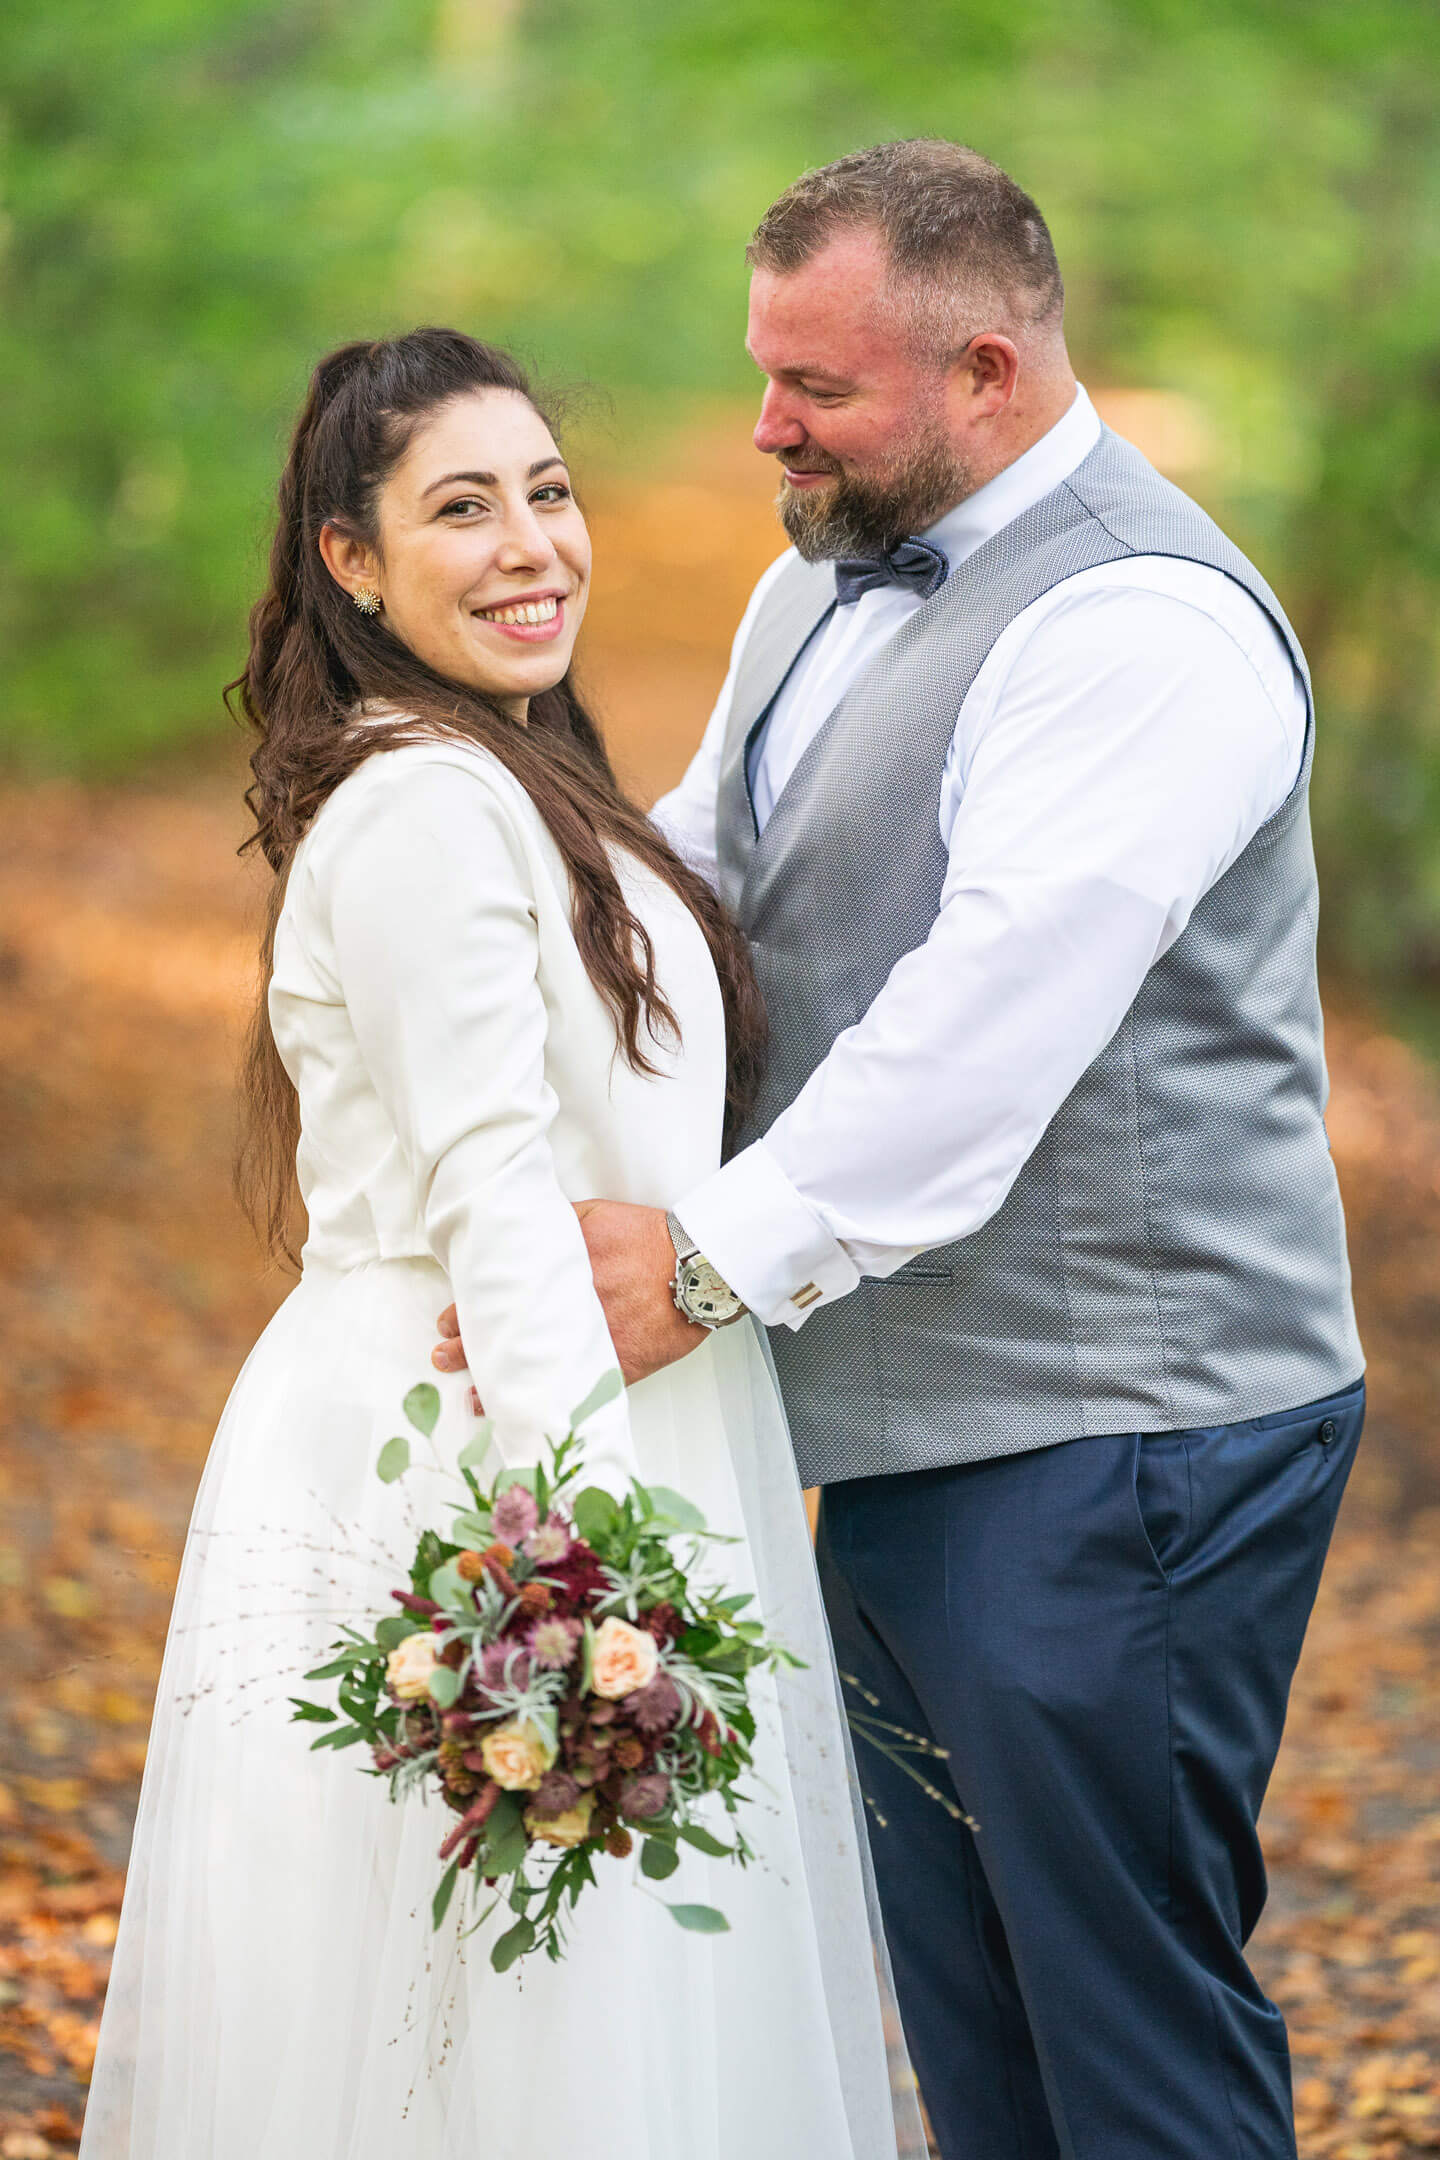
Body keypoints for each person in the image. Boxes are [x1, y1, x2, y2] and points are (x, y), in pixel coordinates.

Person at [437, 141, 1366, 2158]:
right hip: (914, 1421)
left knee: (1124, 2025)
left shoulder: (1143, 624)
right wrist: (454, 885)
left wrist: (691, 1263)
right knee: (977, 2013)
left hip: (1126, 1424)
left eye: (817, 390)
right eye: (766, 373)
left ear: (986, 369)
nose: (765, 426)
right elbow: (710, 888)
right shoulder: (813, 580)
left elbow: (979, 1034)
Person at [78, 329, 925, 2160]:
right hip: (484, 1466)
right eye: (462, 508)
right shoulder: (421, 808)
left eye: (549, 492)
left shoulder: (523, 779)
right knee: (505, 2038)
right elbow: (493, 1201)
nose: (532, 542)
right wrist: (577, 1594)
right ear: (352, 561)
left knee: (608, 2035)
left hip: (600, 1435)